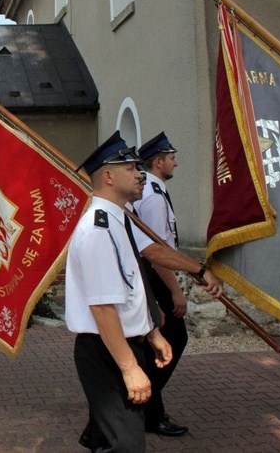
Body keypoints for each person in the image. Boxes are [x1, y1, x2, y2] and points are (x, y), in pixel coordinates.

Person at [66, 131, 223, 452]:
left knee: (110, 440)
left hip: (123, 341)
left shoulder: (119, 219)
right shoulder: (99, 229)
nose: (140, 175)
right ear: (108, 176)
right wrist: (131, 368)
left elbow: (130, 285)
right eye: (131, 169)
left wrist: (151, 333)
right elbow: (103, 308)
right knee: (126, 445)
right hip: (107, 348)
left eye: (139, 168)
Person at [133, 131, 189, 437]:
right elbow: (158, 253)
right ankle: (145, 406)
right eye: (171, 158)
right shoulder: (152, 197)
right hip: (155, 279)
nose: (176, 163)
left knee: (162, 344)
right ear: (158, 161)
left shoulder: (155, 191)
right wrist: (175, 291)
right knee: (172, 340)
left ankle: (150, 410)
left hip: (155, 278)